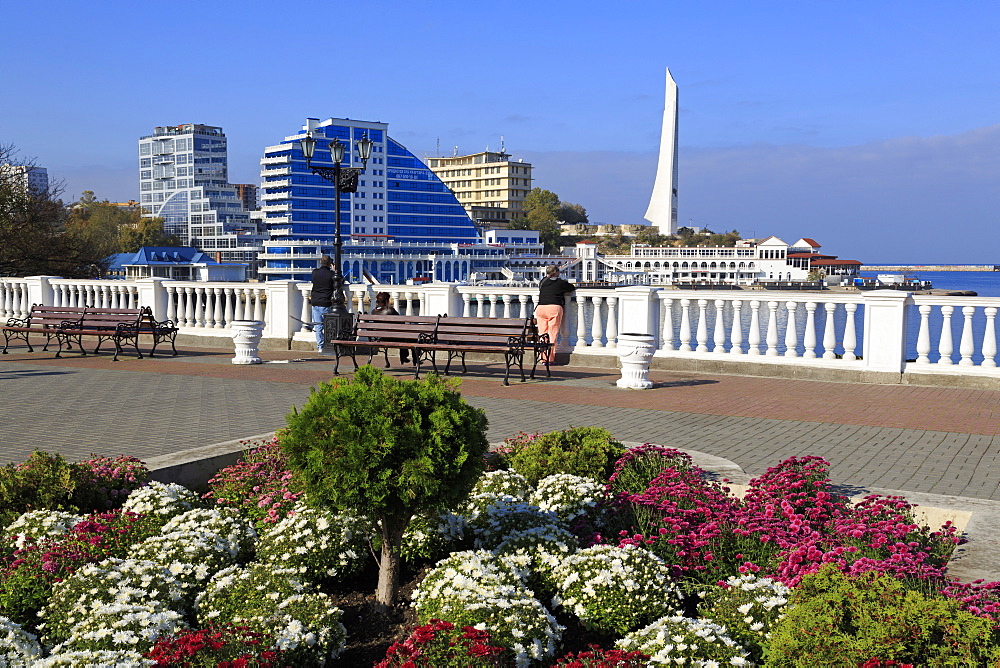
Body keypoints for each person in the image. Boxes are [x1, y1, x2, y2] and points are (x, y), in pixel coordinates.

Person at [534, 264, 575, 364]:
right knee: (552, 334)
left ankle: (542, 358)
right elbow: (571, 288)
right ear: (555, 272)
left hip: (540, 308)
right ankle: (549, 359)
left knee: (542, 334)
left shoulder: (543, 282)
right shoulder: (560, 283)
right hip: (554, 308)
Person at [371, 291, 409, 364]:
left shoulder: (373, 312)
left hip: (379, 338)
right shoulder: (390, 310)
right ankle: (404, 357)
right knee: (406, 338)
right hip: (391, 337)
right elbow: (401, 322)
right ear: (387, 300)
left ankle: (404, 357)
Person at [310, 255, 335, 352]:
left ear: (321, 262)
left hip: (315, 301)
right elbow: (340, 280)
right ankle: (328, 344)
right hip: (325, 302)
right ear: (330, 264)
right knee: (328, 326)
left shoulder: (315, 272)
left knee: (318, 326)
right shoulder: (331, 274)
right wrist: (334, 270)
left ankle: (320, 346)